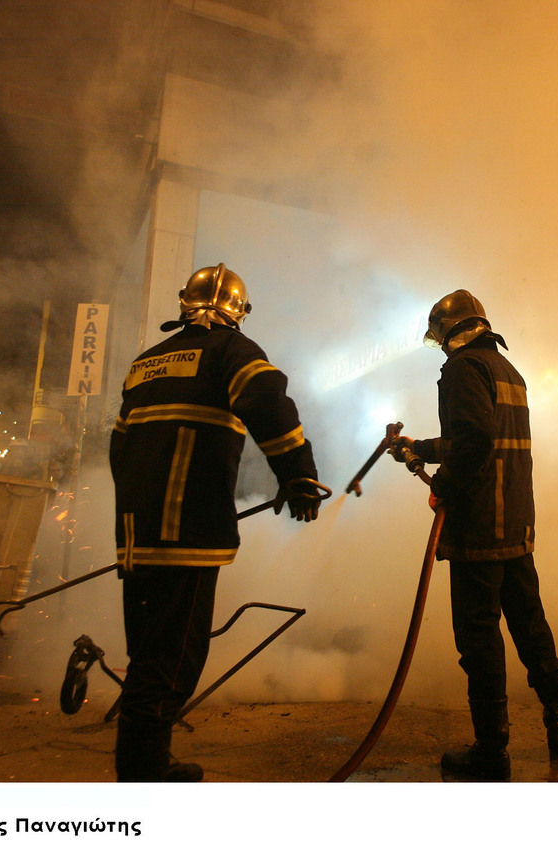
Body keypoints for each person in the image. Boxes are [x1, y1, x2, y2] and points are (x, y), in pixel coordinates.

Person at [109, 263, 324, 783]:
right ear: (239, 311)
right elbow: (270, 404)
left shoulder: (147, 362)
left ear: (184, 302)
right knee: (172, 661)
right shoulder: (233, 351)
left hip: (138, 535)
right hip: (187, 534)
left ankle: (148, 763)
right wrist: (298, 477)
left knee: (147, 654)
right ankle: (143, 780)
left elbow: (119, 447)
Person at [393, 289, 558, 781]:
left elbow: (473, 440)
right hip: (514, 521)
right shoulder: (505, 369)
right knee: (530, 626)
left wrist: (444, 486)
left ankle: (491, 752)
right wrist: (420, 449)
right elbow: (481, 437)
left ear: (450, 332)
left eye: (440, 339)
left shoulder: (461, 369)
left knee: (479, 639)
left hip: (478, 529)